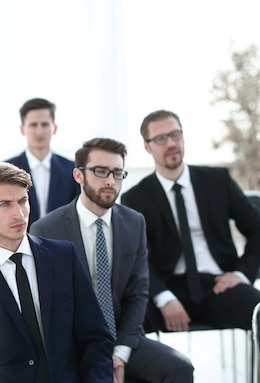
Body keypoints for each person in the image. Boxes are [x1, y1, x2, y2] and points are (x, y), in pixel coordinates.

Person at [121, 110, 260, 382]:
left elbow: (259, 230)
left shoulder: (217, 181)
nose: (171, 143)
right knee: (121, 324)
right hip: (167, 289)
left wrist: (241, 274)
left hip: (218, 285)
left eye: (175, 134)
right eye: (160, 138)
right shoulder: (135, 198)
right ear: (147, 147)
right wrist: (164, 297)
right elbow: (137, 258)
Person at [30, 138, 194, 383]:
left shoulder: (134, 222)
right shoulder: (46, 229)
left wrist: (121, 352)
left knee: (179, 367)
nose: (110, 181)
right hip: (72, 346)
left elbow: (138, 293)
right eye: (100, 171)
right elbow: (46, 306)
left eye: (117, 173)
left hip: (122, 337)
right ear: (79, 175)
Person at [0, 161, 114, 382]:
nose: (19, 213)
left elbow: (96, 338)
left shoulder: (63, 257)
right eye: (4, 204)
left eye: (23, 201)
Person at [5, 98, 80, 228]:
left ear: (54, 128)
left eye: (44, 124)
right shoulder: (6, 170)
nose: (39, 131)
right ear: (23, 129)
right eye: (33, 125)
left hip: (61, 242)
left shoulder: (72, 170)